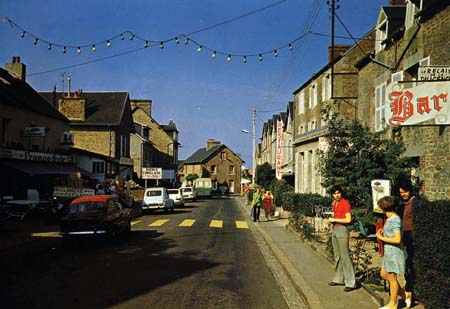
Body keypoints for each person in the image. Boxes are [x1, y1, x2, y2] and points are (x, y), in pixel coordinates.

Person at [376, 196, 406, 309]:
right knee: (384, 274)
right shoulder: (390, 218)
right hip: (388, 252)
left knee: (392, 278)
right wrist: (384, 231)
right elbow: (392, 232)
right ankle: (403, 294)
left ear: (383, 208)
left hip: (394, 253)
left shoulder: (394, 219)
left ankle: (393, 304)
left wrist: (380, 237)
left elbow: (397, 239)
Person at [327, 185, 357, 292]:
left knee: (345, 256)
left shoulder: (345, 203)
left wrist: (334, 219)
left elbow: (348, 219)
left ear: (341, 193)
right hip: (335, 229)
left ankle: (351, 282)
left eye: (338, 193)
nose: (336, 195)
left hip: (342, 230)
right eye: (334, 193)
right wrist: (332, 222)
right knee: (337, 256)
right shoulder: (335, 203)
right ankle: (339, 278)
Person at [397, 180, 419, 307]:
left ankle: (410, 289)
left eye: (405, 192)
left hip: (412, 237)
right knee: (406, 263)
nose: (403, 194)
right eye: (401, 192)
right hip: (404, 236)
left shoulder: (415, 203)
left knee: (410, 263)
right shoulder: (403, 204)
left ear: (410, 191)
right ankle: (409, 287)